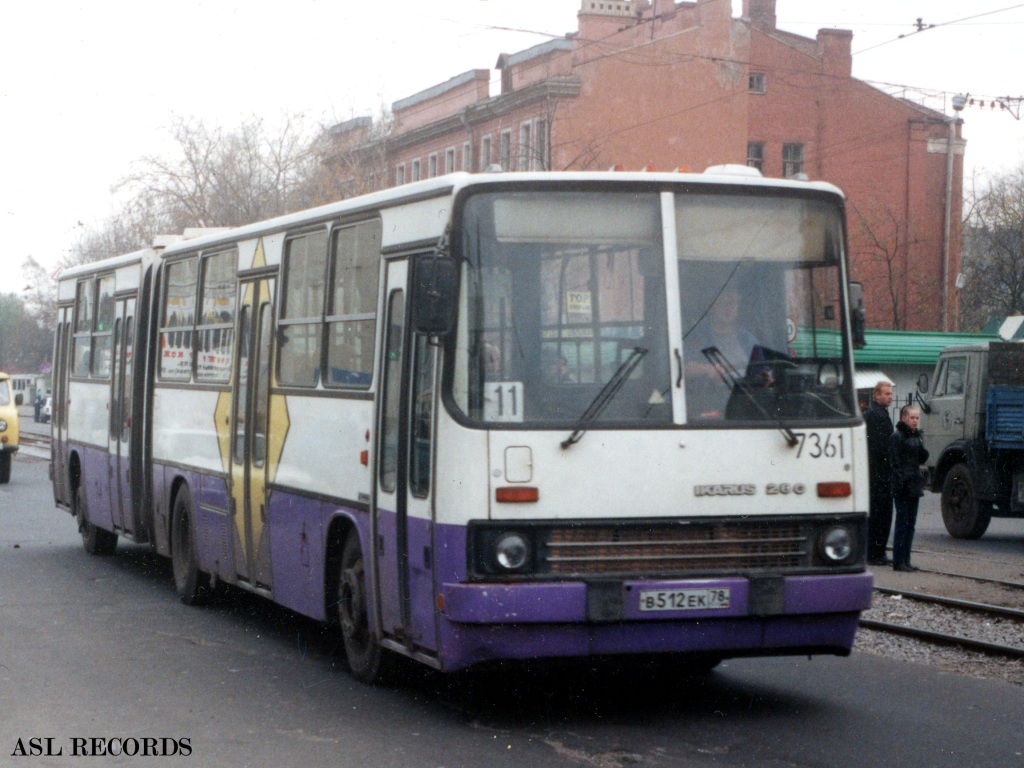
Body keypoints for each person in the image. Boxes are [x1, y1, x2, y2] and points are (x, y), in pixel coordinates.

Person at [889, 405, 929, 572]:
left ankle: (906, 559)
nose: (915, 421)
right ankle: (899, 561)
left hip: (914, 484)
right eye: (912, 418)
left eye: (917, 418)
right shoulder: (897, 436)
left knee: (910, 523)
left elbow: (921, 457)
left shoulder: (915, 436)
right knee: (902, 522)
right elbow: (894, 461)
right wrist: (900, 481)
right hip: (903, 485)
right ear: (904, 418)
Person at [864, 381, 895, 566]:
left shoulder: (877, 413)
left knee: (879, 512)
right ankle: (876, 552)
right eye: (886, 394)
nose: (890, 397)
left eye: (891, 394)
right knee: (881, 513)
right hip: (879, 471)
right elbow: (880, 446)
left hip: (876, 471)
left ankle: (876, 551)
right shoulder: (877, 415)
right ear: (876, 395)